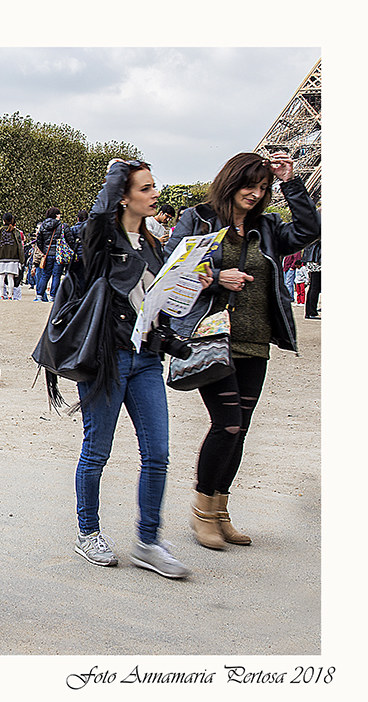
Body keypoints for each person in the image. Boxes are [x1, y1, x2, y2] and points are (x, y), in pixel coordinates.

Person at [165, 152, 319, 549]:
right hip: (213, 338)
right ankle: (202, 513)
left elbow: (310, 229)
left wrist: (291, 181)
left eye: (263, 187)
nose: (256, 193)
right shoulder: (197, 218)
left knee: (241, 430)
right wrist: (218, 276)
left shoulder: (267, 226)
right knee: (228, 424)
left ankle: (220, 511)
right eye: (250, 185)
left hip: (255, 340)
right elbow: (172, 270)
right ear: (231, 181)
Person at [70, 159, 194, 578]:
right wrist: (116, 173)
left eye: (155, 185)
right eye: (146, 188)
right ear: (124, 196)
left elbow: (153, 304)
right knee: (97, 452)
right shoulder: (102, 239)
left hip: (144, 360)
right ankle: (88, 533)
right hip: (107, 357)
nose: (155, 193)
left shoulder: (155, 244)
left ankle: (148, 540)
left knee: (157, 453)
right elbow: (98, 217)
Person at [35, 207, 70, 302]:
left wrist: (44, 251)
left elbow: (39, 240)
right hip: (59, 253)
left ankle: (39, 295)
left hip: (48, 253)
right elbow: (69, 239)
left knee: (45, 275)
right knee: (56, 275)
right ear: (56, 215)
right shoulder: (62, 226)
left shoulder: (43, 226)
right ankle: (53, 296)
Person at [0, 212, 24, 299]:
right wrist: (22, 259)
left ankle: (1, 295)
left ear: (3, 221)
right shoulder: (16, 232)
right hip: (13, 258)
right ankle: (10, 295)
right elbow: (20, 246)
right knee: (11, 277)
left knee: (1, 277)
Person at [302, 238, 321, 319]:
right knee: (315, 288)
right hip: (317, 262)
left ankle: (310, 312)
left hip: (312, 261)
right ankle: (311, 312)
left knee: (313, 287)